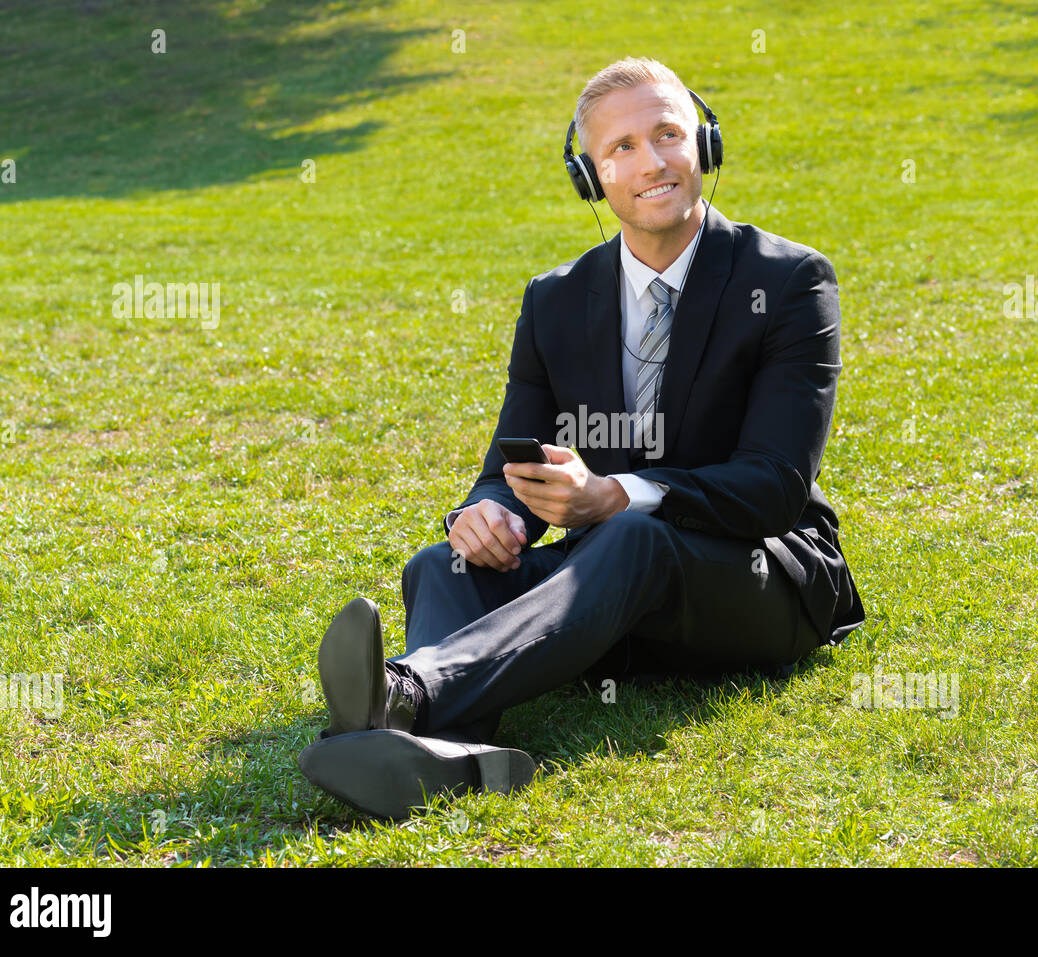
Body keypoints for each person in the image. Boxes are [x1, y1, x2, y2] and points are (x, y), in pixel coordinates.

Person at [297, 57, 865, 819]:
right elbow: (511, 460)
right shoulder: (556, 300)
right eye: (621, 147)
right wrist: (490, 513)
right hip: (614, 594)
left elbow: (774, 485)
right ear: (590, 176)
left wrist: (616, 494)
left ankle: (408, 692)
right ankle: (444, 756)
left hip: (762, 578)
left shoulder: (791, 281)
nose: (652, 161)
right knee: (444, 565)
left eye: (667, 133)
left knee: (633, 532)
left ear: (704, 141)